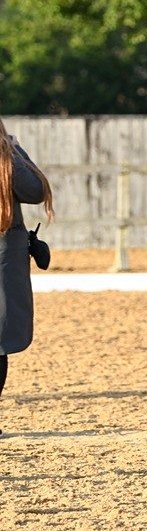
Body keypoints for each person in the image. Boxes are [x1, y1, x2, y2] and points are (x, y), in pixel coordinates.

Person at [0, 121, 54, 422]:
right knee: (1, 339)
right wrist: (14, 149)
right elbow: (36, 190)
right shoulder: (5, 154)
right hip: (4, 249)